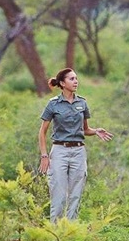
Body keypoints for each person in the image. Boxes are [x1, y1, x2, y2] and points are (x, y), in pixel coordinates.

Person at [38, 68, 113, 222]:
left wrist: (96, 131)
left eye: (76, 78)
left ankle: (70, 236)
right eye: (71, 79)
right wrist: (44, 155)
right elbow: (42, 132)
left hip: (79, 152)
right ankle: (55, 236)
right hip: (59, 151)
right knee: (58, 197)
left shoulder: (82, 103)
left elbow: (85, 129)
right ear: (62, 83)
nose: (75, 81)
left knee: (75, 196)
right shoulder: (53, 104)